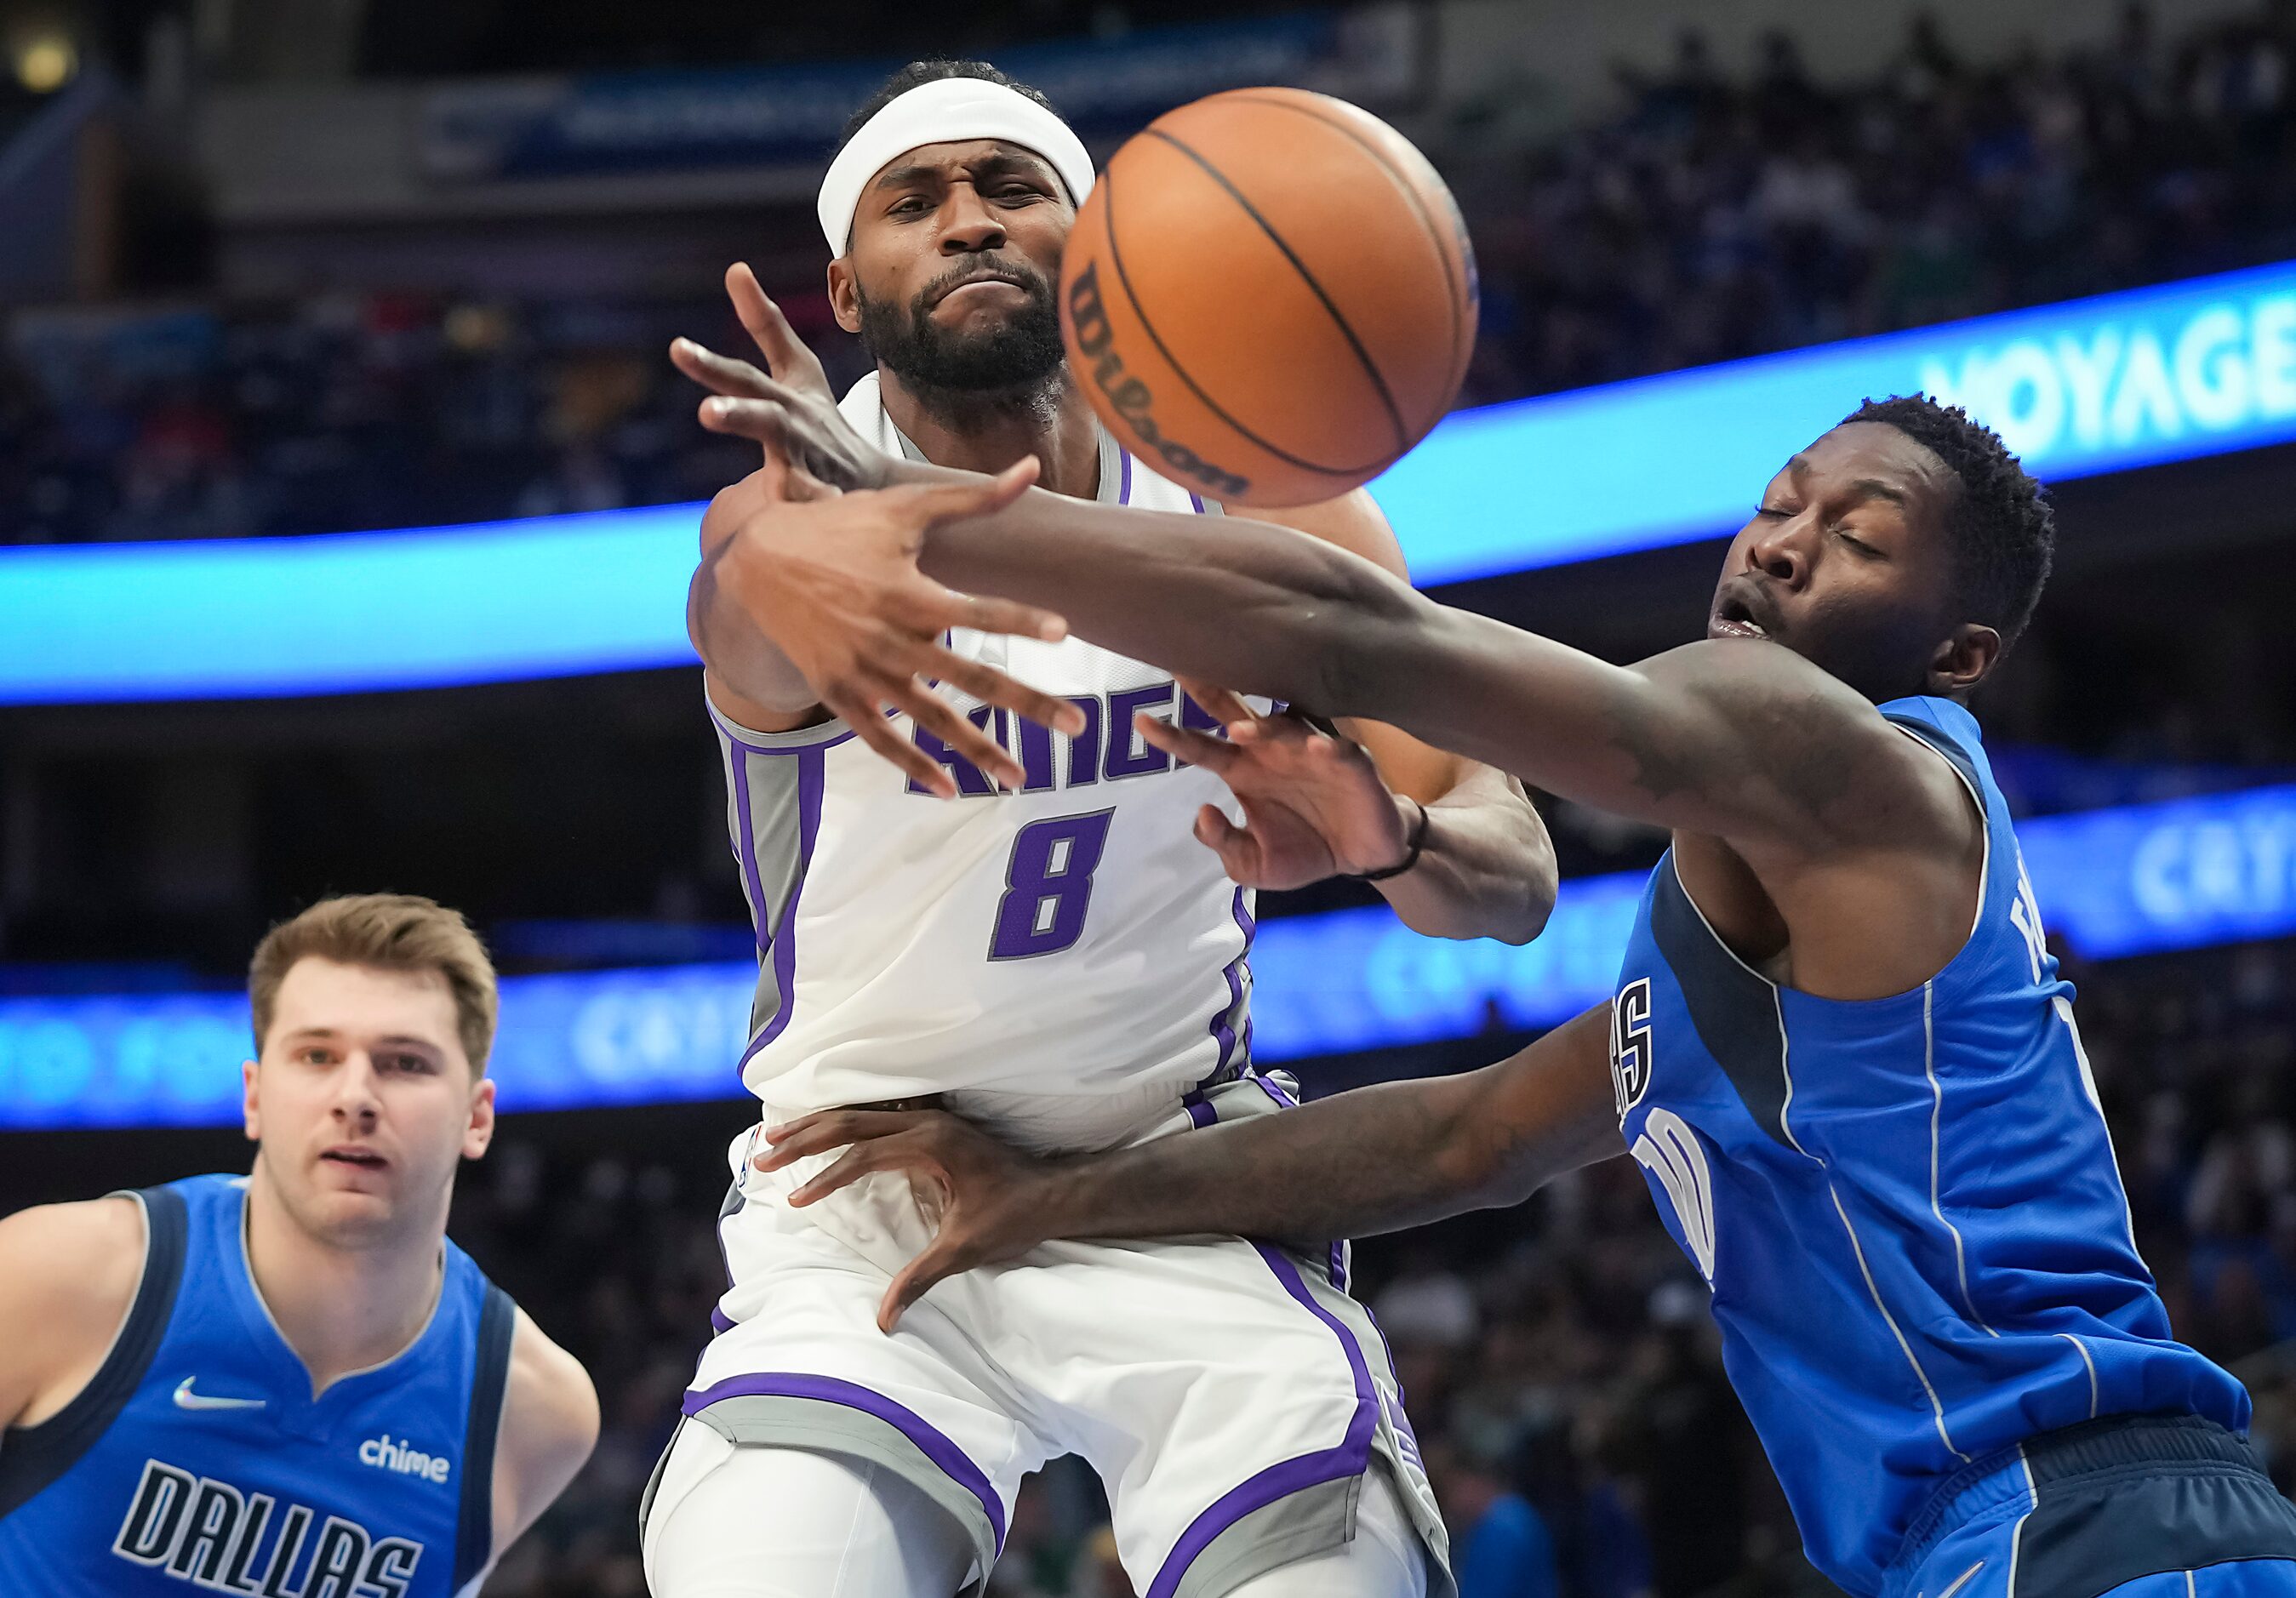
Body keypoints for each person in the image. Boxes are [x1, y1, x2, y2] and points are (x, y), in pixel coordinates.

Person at [683, 335, 2296, 1595]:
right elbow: (1462, 1138)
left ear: (1953, 655)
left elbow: (1353, 634)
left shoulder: (1849, 762)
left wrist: (936, 515)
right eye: (1782, 502)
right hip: (2001, 1530)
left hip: (2087, 1514)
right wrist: (1047, 1197)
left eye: (1856, 539)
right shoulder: (1768, 942)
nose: (1784, 546)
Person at [647, 59, 1558, 1598]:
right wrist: (758, 541)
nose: (965, 224)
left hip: (1178, 1175)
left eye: (1011, 188)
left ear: (1099, 258)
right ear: (844, 291)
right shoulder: (813, 532)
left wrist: (1384, 832)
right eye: (914, 200)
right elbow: (743, 585)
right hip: (859, 1196)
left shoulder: (1270, 509)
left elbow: (1514, 873)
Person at [0, 893, 598, 1596]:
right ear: (254, 1097)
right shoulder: (53, 1274)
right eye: (317, 1055)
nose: (356, 1097)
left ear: (477, 1116)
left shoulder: (535, 1413)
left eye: (404, 1063)